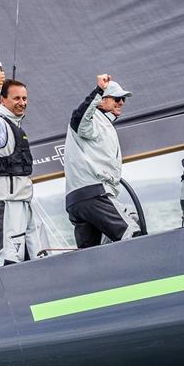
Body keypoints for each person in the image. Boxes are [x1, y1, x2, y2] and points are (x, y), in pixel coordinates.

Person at [0, 63, 45, 265]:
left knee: (40, 256)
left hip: (22, 201)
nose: (22, 103)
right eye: (16, 98)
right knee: (9, 262)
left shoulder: (15, 126)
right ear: (2, 100)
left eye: (24, 98)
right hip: (4, 204)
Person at [64, 74, 140, 249]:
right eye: (117, 98)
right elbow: (79, 117)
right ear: (101, 101)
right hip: (94, 194)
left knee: (91, 253)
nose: (121, 102)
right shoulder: (90, 120)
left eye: (123, 99)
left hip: (79, 199)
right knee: (133, 233)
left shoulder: (104, 123)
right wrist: (98, 90)